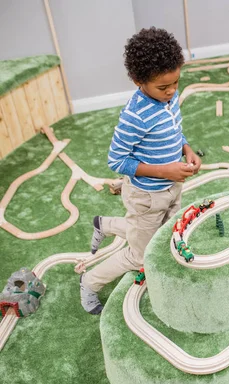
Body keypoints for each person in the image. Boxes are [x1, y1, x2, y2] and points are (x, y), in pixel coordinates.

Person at [80, 27, 201, 314]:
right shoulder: (134, 116)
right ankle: (90, 281)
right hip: (145, 195)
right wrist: (165, 171)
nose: (171, 91)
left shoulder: (169, 96)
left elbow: (174, 131)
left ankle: (105, 225)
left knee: (166, 234)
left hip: (171, 187)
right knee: (140, 255)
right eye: (163, 87)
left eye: (176, 83)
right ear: (138, 81)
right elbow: (117, 161)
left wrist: (187, 149)